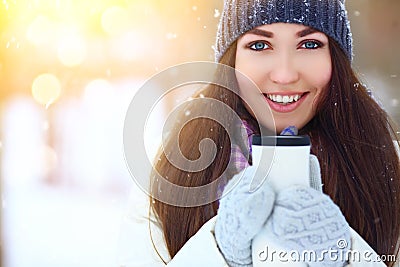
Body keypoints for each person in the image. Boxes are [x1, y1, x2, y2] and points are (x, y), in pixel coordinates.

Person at [118, 0, 400, 266]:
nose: (285, 75)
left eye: (310, 44)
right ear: (232, 60)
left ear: (335, 59)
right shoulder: (172, 166)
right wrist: (219, 251)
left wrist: (346, 254)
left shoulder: (387, 164)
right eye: (260, 45)